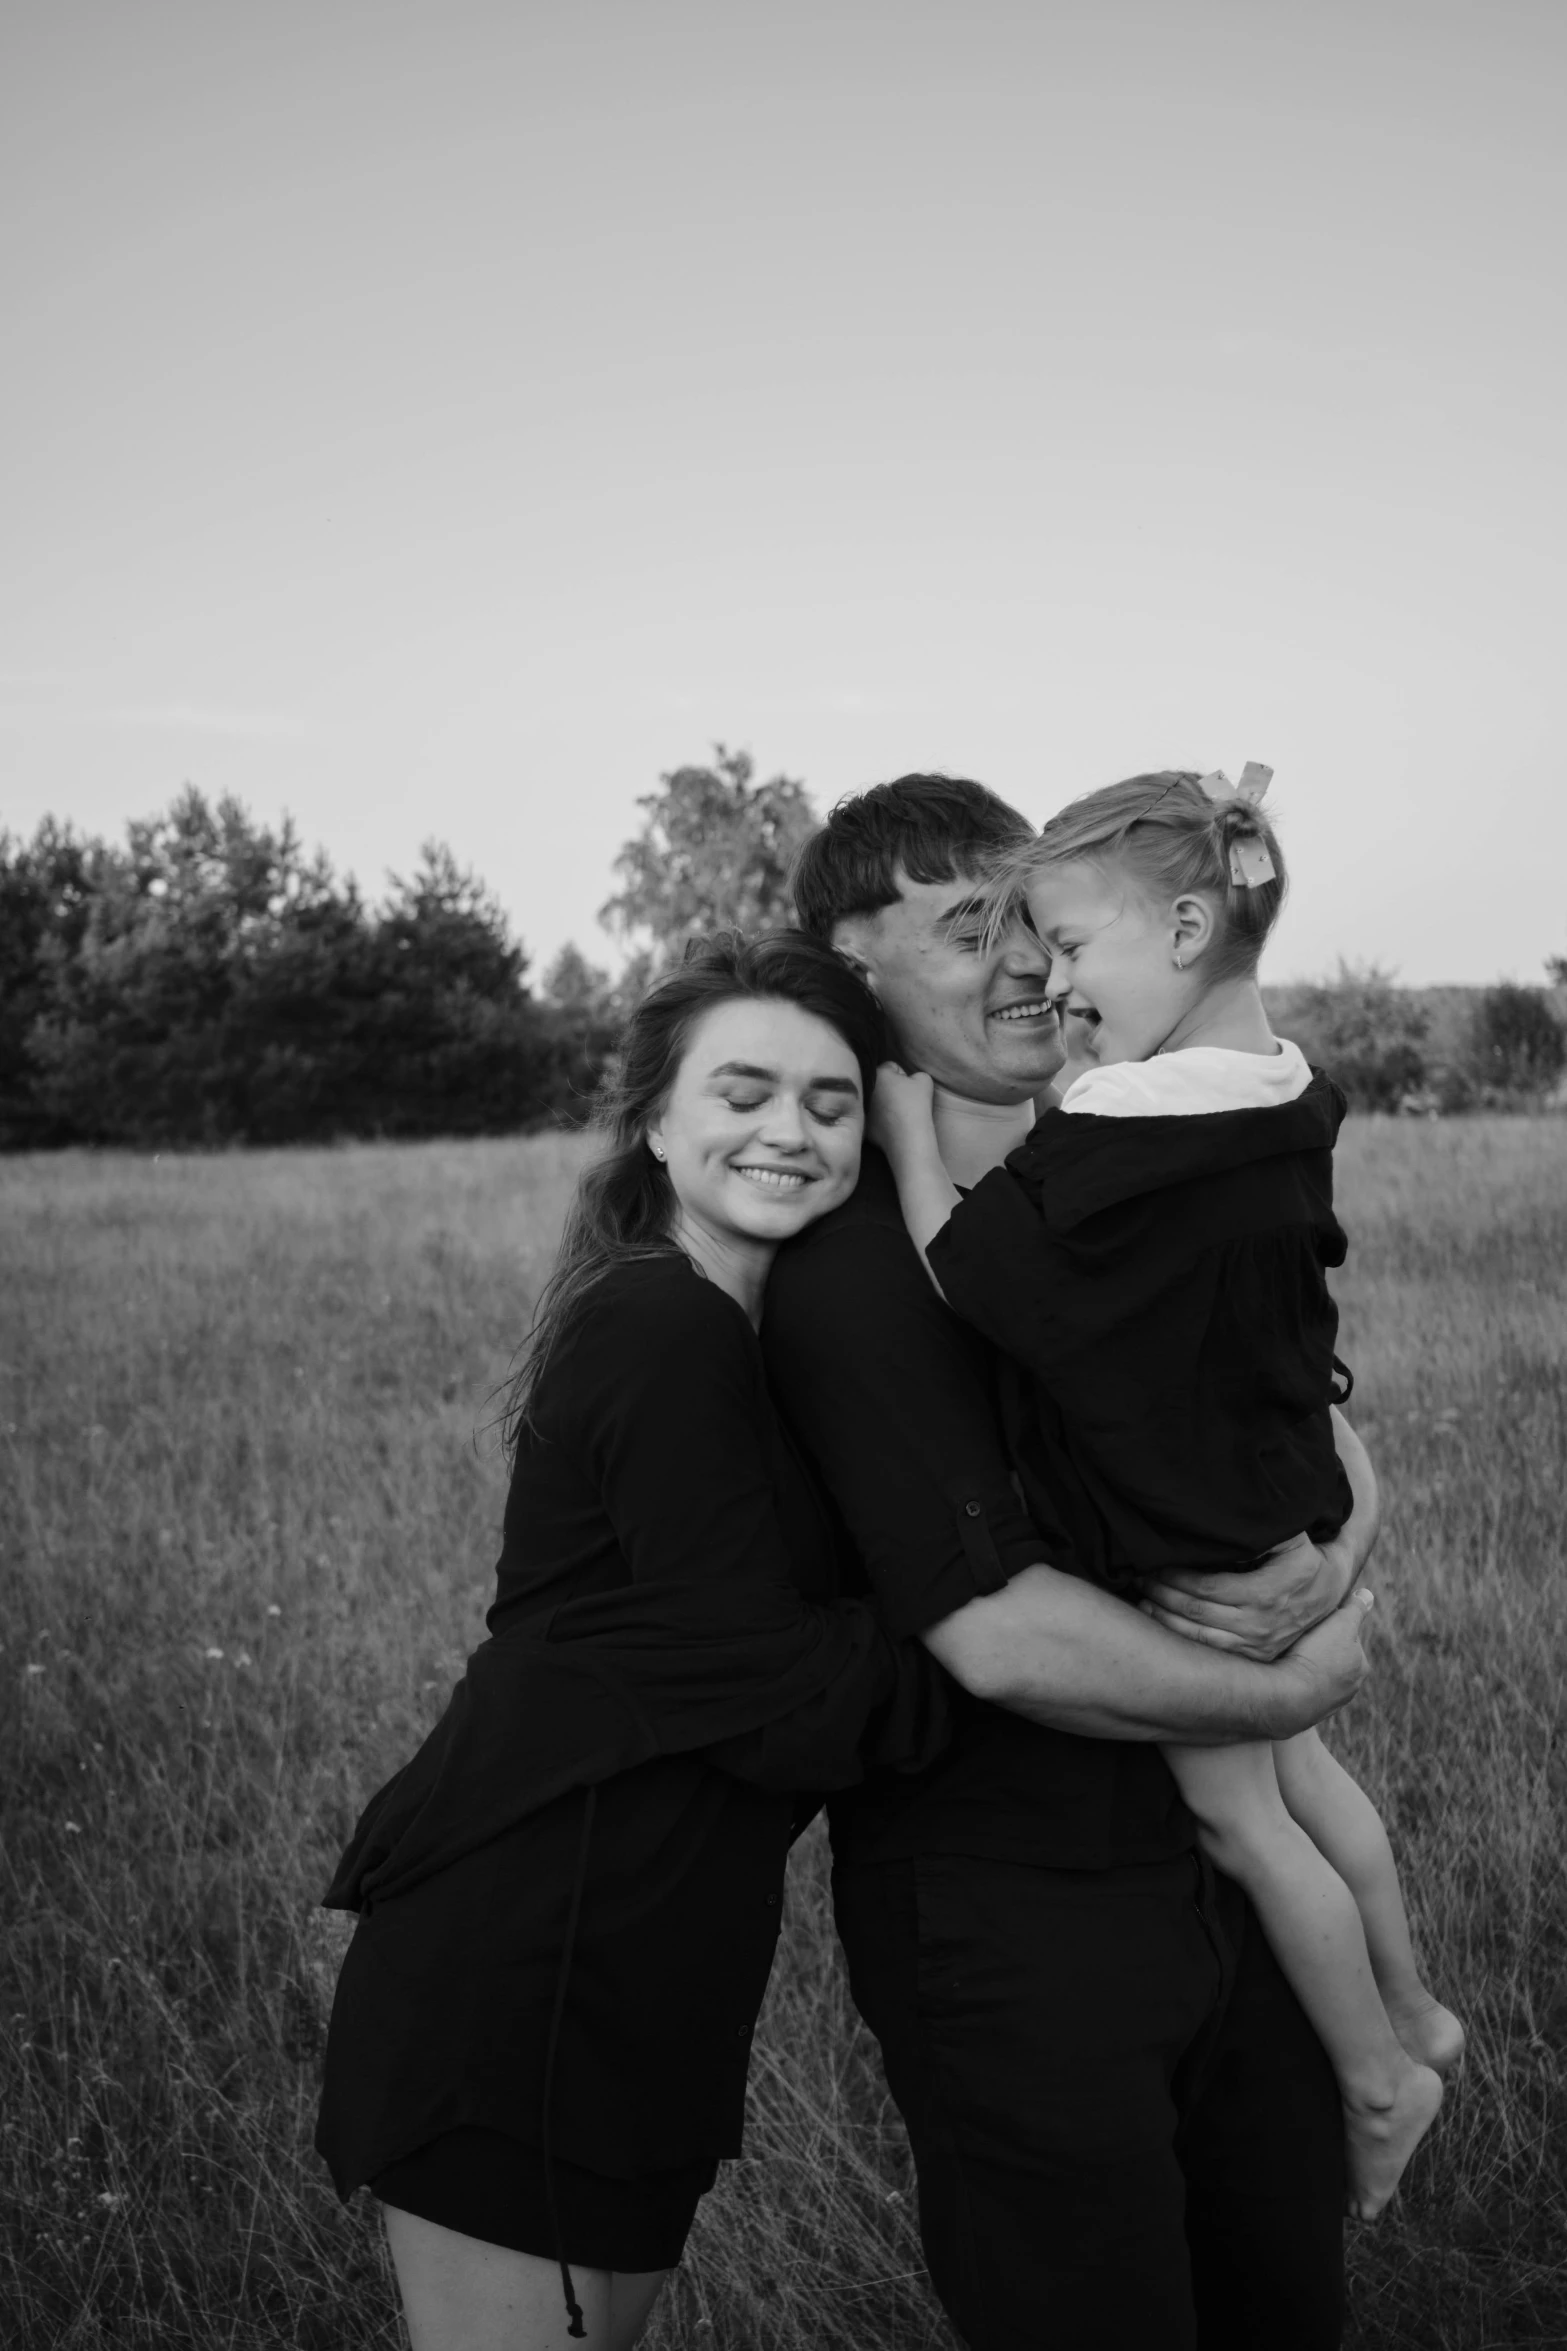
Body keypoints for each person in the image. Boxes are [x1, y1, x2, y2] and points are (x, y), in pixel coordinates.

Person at [764, 773, 1382, 2351]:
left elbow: (1300, 1427)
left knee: (1280, 2304)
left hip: (1218, 1881)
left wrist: (1327, 1560)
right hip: (1012, 1909)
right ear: (854, 972)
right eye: (976, 929)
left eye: (1041, 922)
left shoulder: (1141, 1171)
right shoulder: (853, 1275)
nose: (1032, 963)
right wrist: (1295, 1674)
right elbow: (999, 1637)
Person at [315, 932, 953, 2351]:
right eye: (742, 1091)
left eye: (831, 1102)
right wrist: (1007, 1648)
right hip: (530, 1962)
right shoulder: (660, 1326)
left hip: (645, 1966)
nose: (787, 1129)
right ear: (656, 1120)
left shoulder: (743, 1331)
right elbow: (774, 1691)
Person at [868, 766, 1462, 2226]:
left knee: (1241, 1819)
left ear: (1189, 922)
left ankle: (1382, 2075)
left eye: (1073, 948)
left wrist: (899, 1140)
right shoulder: (1280, 1084)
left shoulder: (1125, 1122)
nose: (1053, 982)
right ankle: (1417, 2000)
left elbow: (974, 1266)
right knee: (1315, 1780)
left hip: (1185, 1539)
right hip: (1273, 1490)